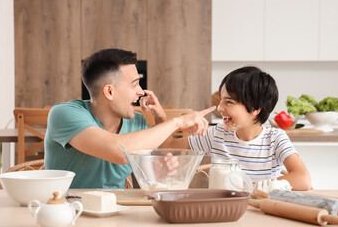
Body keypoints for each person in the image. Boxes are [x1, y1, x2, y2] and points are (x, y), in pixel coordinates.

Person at [44, 48, 215, 188]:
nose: (141, 92)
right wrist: (176, 122)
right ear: (109, 91)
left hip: (115, 213)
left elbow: (150, 181)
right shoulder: (64, 114)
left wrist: (161, 171)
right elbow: (119, 152)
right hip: (64, 210)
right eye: (134, 84)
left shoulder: (138, 123)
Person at [164, 66, 312, 190]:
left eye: (228, 102)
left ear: (255, 108)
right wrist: (162, 118)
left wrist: (251, 188)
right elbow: (167, 146)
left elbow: (303, 179)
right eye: (221, 100)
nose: (220, 108)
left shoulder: (275, 139)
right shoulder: (216, 135)